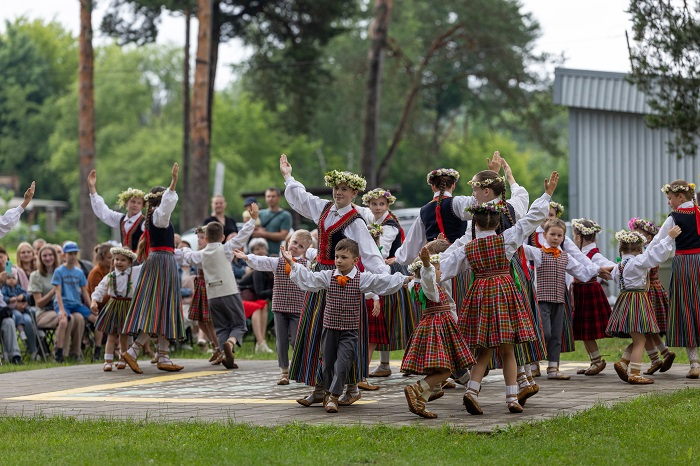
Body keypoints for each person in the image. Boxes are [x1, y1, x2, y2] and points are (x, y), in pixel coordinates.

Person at [440, 171, 558, 415]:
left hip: (481, 296)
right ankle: (512, 397)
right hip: (504, 294)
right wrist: (547, 195)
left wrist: (422, 272)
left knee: (483, 349)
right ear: (497, 222)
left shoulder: (469, 247)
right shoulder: (505, 239)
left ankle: (471, 391)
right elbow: (530, 220)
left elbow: (447, 267)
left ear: (475, 223)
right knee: (507, 349)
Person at [280, 154, 390, 407]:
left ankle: (351, 387)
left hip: (344, 282)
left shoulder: (356, 221)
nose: (338, 192)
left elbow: (370, 255)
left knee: (344, 335)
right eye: (336, 188)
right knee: (316, 332)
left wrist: (384, 281)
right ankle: (320, 387)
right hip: (322, 277)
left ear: (354, 193)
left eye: (344, 189)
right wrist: (288, 176)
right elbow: (302, 198)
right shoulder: (325, 208)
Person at [283, 239, 410, 413]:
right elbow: (309, 279)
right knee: (327, 364)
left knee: (343, 363)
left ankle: (334, 397)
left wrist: (404, 279)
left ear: (355, 260)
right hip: (329, 329)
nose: (339, 261)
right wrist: (292, 263)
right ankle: (326, 393)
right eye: (337, 257)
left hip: (349, 331)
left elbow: (380, 281)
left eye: (344, 257)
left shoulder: (361, 278)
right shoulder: (328, 276)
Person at [523, 218, 608, 380]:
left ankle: (553, 368)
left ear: (563, 238)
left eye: (559, 235)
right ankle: (531, 363)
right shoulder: (538, 253)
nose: (555, 238)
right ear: (544, 235)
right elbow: (520, 247)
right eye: (552, 234)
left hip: (559, 300)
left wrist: (598, 270)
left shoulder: (565, 256)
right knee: (545, 332)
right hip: (542, 300)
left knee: (556, 334)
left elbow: (581, 270)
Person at [121, 163, 186, 374]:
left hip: (161, 261)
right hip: (162, 263)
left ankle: (161, 355)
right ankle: (135, 351)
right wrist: (173, 183)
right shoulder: (159, 216)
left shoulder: (153, 218)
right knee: (159, 308)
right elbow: (167, 205)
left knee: (163, 308)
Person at [178, 206, 258, 370]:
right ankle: (231, 342)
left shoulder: (200, 255)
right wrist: (253, 219)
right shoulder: (226, 248)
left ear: (206, 238)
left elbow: (186, 255)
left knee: (221, 327)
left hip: (212, 296)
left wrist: (182, 248)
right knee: (239, 324)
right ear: (222, 237)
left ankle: (226, 355)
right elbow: (242, 236)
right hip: (229, 292)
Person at [402, 241, 475, 419]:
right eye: (438, 269)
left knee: (442, 369)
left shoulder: (417, 284)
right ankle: (416, 388)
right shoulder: (430, 288)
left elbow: (423, 278)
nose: (441, 272)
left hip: (436, 327)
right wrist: (428, 265)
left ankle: (421, 401)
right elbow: (428, 278)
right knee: (446, 370)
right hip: (438, 328)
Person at [354, 188, 416, 382]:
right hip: (378, 268)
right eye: (374, 204)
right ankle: (384, 364)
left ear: (388, 205)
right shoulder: (372, 219)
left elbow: (383, 251)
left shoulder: (389, 226)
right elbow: (359, 210)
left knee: (398, 317)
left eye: (382, 204)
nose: (378, 207)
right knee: (384, 317)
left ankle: (411, 361)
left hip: (389, 270)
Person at [238, 229, 313, 384]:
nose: (295, 247)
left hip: (297, 307)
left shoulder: (306, 265)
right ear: (289, 241)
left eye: (300, 246)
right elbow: (263, 261)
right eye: (294, 242)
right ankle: (284, 371)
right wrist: (248, 257)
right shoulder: (277, 261)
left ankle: (300, 367)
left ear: (305, 251)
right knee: (281, 340)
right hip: (279, 307)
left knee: (297, 339)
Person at [609, 228, 679, 384]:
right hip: (637, 300)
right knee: (640, 340)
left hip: (624, 300)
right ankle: (634, 374)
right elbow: (654, 256)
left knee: (638, 338)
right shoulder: (637, 262)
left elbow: (615, 278)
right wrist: (669, 238)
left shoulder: (618, 267)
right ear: (639, 249)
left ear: (621, 248)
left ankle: (623, 363)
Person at [646, 180, 700, 378]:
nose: (669, 202)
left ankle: (694, 363)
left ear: (680, 197)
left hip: (684, 264)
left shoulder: (674, 218)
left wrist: (642, 260)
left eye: (670, 198)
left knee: (687, 308)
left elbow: (658, 241)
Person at [567, 218, 616, 376]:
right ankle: (594, 361)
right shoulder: (581, 253)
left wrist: (612, 271)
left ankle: (597, 361)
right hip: (581, 291)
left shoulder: (594, 255)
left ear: (578, 237)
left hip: (588, 291)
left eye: (574, 236)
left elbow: (612, 268)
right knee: (583, 329)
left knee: (586, 329)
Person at [629, 217, 676, 374]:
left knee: (645, 328)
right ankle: (664, 353)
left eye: (638, 234)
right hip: (655, 290)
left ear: (649, 238)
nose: (634, 236)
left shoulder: (648, 252)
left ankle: (656, 358)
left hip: (648, 292)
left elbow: (645, 273)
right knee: (649, 329)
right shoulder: (648, 251)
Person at [29, 244, 84, 361]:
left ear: (55, 257)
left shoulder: (62, 271)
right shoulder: (36, 276)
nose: (48, 258)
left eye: (50, 255)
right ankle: (59, 354)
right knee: (68, 318)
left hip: (64, 307)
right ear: (40, 258)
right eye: (44, 256)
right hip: (44, 312)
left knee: (79, 318)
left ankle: (75, 353)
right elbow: (39, 303)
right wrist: (54, 290)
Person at [91, 247, 142, 371]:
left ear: (130, 262)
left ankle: (123, 358)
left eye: (123, 260)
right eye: (116, 259)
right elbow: (100, 289)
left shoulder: (134, 273)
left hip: (127, 307)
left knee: (124, 336)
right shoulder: (111, 276)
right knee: (111, 334)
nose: (119, 262)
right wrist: (94, 301)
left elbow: (145, 264)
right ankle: (108, 360)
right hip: (113, 306)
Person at [52, 241, 93, 363]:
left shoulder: (79, 272)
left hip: (76, 304)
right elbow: (57, 292)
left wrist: (91, 306)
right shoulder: (59, 271)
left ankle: (97, 351)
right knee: (63, 321)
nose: (73, 256)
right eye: (70, 254)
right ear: (64, 255)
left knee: (97, 319)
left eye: (75, 253)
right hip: (64, 303)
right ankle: (59, 353)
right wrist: (61, 310)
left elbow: (84, 291)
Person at [87, 170, 145, 253]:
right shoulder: (121, 219)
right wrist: (92, 188)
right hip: (124, 259)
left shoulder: (144, 222)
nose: (136, 205)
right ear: (126, 203)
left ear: (142, 206)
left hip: (140, 259)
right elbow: (104, 212)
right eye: (133, 201)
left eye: (139, 203)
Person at [238, 237, 275, 353]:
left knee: (263, 305)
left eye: (263, 248)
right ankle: (260, 342)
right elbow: (260, 293)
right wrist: (275, 290)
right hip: (242, 299)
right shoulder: (257, 271)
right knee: (258, 307)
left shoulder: (268, 271)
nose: (261, 251)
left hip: (255, 300)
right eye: (257, 249)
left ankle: (261, 342)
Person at [86, 243, 113, 361]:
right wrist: (113, 293)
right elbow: (97, 298)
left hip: (109, 304)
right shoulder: (96, 272)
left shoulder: (112, 270)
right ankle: (98, 350)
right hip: (96, 306)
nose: (113, 260)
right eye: (109, 258)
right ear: (101, 258)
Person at [252, 187, 293, 256]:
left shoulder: (285, 215)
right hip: (257, 254)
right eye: (268, 196)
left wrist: (263, 234)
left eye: (273, 196)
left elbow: (283, 236)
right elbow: (252, 231)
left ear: (279, 198)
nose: (270, 199)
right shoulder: (260, 213)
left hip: (274, 254)